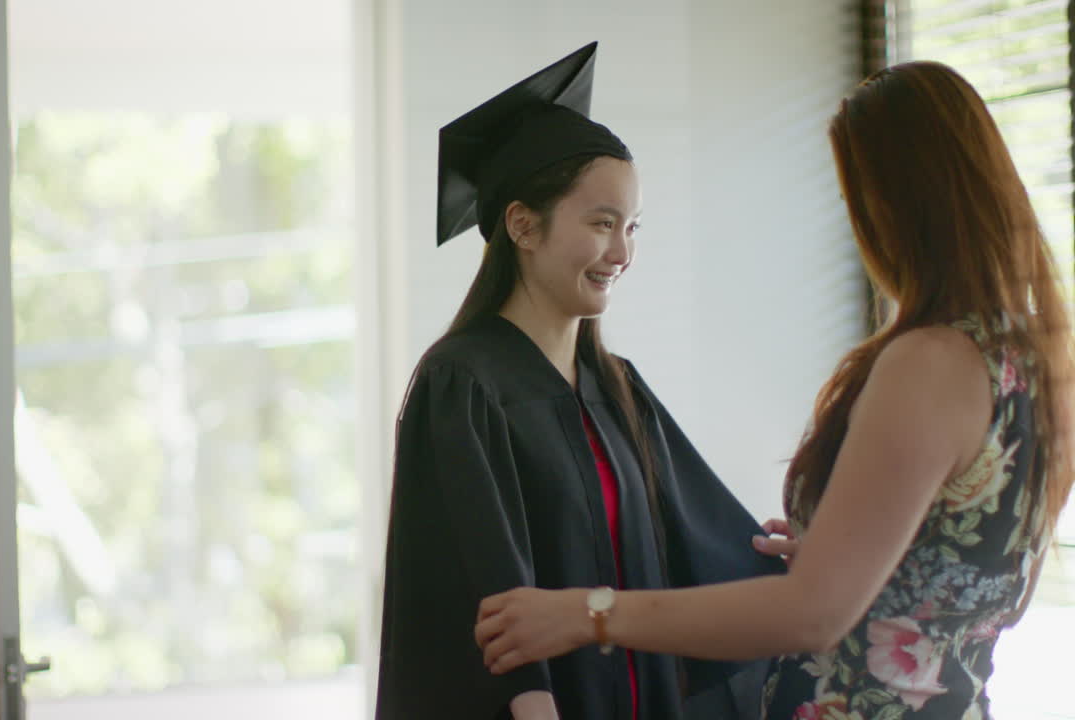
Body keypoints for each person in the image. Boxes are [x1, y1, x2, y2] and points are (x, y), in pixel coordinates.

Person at [474, 60, 1075, 720]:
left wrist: (587, 614)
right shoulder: (1041, 363)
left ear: (897, 201)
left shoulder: (929, 361)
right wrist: (856, 551)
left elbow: (812, 616)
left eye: (858, 200)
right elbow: (996, 585)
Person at [375, 42, 783, 720]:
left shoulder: (617, 388)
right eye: (601, 224)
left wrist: (805, 563)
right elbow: (490, 603)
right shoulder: (464, 385)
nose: (622, 253)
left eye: (632, 228)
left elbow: (701, 550)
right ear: (523, 225)